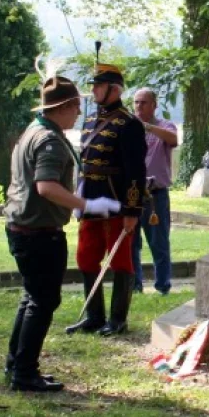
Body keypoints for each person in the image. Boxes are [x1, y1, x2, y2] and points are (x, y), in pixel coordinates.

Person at [3, 76, 121, 392]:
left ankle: (17, 364)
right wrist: (88, 204)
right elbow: (46, 186)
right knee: (43, 300)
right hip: (38, 233)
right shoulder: (49, 141)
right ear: (64, 107)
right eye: (76, 108)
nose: (77, 114)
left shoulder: (32, 132)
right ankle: (25, 373)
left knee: (32, 298)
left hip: (22, 228)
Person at [65, 62, 147, 337]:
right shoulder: (89, 121)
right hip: (90, 202)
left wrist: (133, 209)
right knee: (86, 258)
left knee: (120, 260)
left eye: (98, 86)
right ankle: (94, 316)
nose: (94, 90)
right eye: (93, 86)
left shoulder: (129, 124)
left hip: (116, 202)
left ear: (114, 89)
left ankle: (118, 320)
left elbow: (136, 171)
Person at [130, 87, 178, 295]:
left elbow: (173, 139)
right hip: (131, 195)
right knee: (131, 244)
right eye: (136, 102)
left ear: (154, 105)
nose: (139, 106)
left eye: (144, 102)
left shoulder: (164, 126)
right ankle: (134, 286)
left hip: (155, 196)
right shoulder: (129, 128)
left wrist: (147, 127)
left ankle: (163, 286)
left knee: (159, 242)